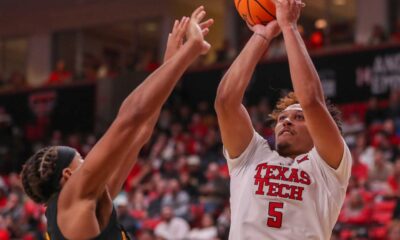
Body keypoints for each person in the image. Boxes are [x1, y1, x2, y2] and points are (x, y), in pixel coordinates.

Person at [20, 6, 213, 240]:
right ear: (68, 176)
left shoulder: (91, 201)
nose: (89, 160)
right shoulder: (70, 200)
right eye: (81, 159)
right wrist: (189, 51)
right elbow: (128, 118)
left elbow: (139, 132)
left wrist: (170, 66)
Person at [214, 0, 352, 239]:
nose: (286, 122)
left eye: (299, 118)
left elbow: (311, 100)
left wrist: (289, 27)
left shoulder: (328, 166)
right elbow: (226, 102)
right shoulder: (252, 156)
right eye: (282, 118)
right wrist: (261, 36)